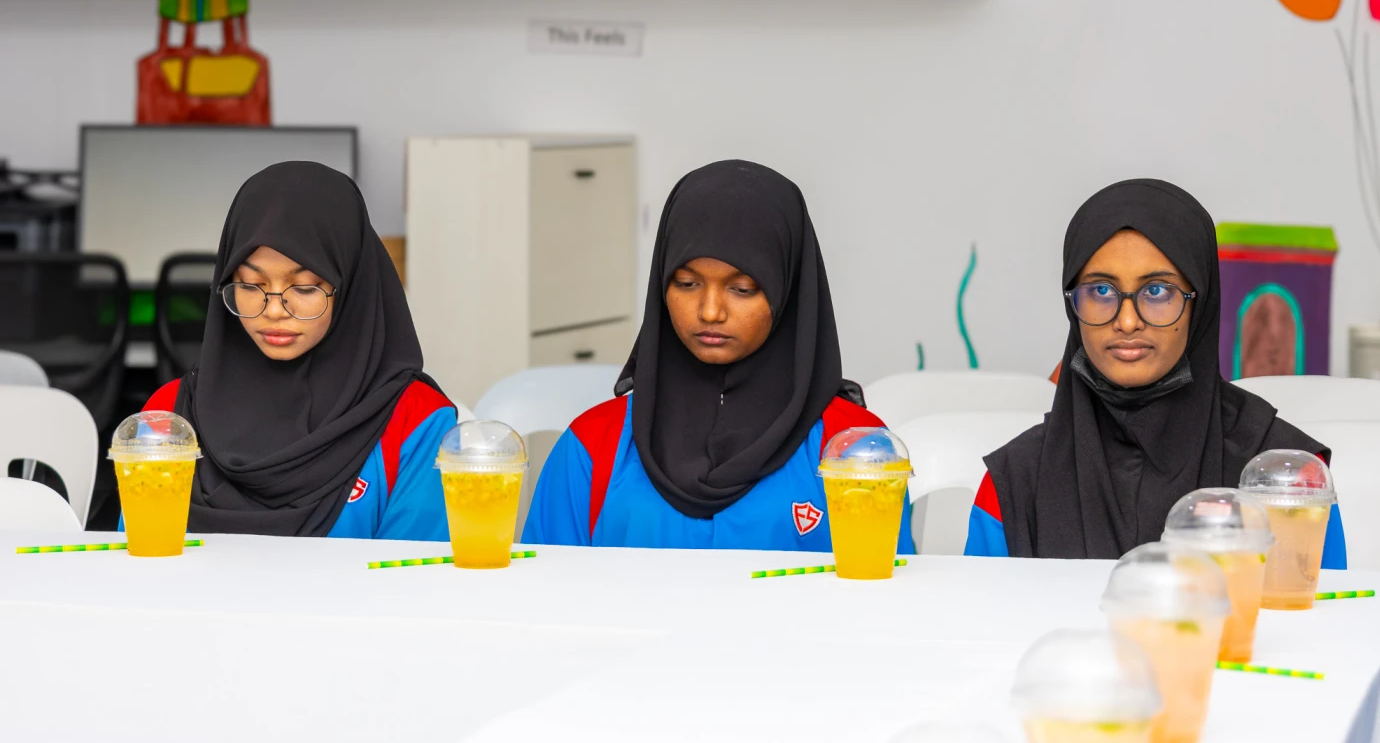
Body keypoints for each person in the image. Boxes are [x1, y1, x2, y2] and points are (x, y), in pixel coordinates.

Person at [523, 160, 915, 552]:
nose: (710, 311)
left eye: (742, 289)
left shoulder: (855, 453)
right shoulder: (592, 446)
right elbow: (544, 587)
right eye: (687, 283)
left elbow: (883, 588)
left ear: (788, 292)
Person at [964, 179, 1347, 564]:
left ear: (1200, 303)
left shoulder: (1286, 480)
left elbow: (1325, 601)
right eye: (1101, 291)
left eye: (1157, 291)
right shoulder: (1014, 483)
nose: (1128, 321)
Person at [141, 161, 456, 540]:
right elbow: (141, 559)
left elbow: (414, 572)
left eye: (305, 288)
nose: (274, 310)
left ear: (352, 288)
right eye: (250, 285)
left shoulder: (416, 422)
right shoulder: (168, 416)